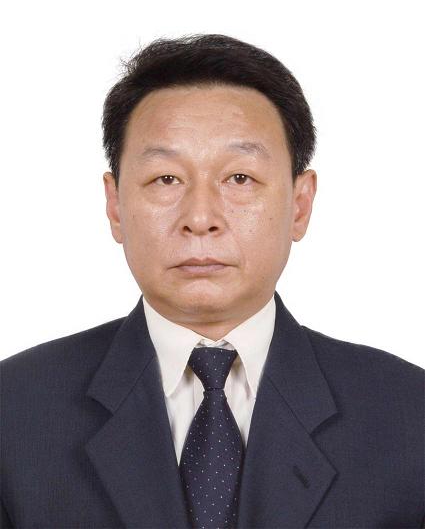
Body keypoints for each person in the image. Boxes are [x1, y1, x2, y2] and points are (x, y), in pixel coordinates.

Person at [1, 33, 423, 529]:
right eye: (166, 179)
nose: (200, 218)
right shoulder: (14, 411)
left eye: (240, 178)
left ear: (300, 204)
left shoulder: (408, 414)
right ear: (115, 205)